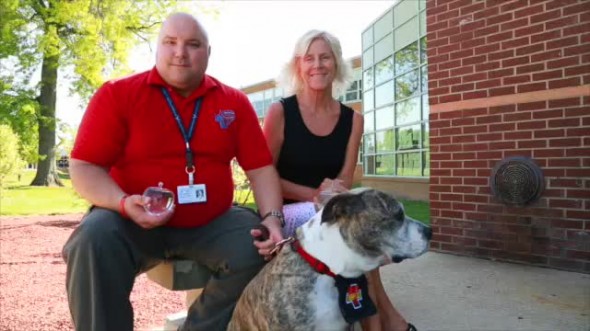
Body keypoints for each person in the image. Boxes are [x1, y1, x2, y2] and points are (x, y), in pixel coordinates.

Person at [62, 13, 284, 331]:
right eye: (170, 42)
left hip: (211, 222)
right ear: (157, 48)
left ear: (208, 52)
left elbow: (261, 169)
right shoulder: (117, 95)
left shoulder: (233, 102)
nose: (180, 52)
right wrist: (124, 203)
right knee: (91, 240)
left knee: (258, 244)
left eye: (193, 44)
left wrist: (272, 219)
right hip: (131, 219)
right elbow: (84, 167)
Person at [263, 30, 416, 331]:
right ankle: (386, 320)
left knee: (355, 223)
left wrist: (331, 195)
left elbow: (344, 179)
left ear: (336, 64)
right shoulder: (280, 111)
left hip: (331, 208)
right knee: (349, 228)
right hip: (287, 213)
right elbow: (264, 175)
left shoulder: (353, 119)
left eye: (325, 57)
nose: (317, 65)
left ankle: (377, 320)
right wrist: (313, 196)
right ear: (298, 66)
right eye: (309, 58)